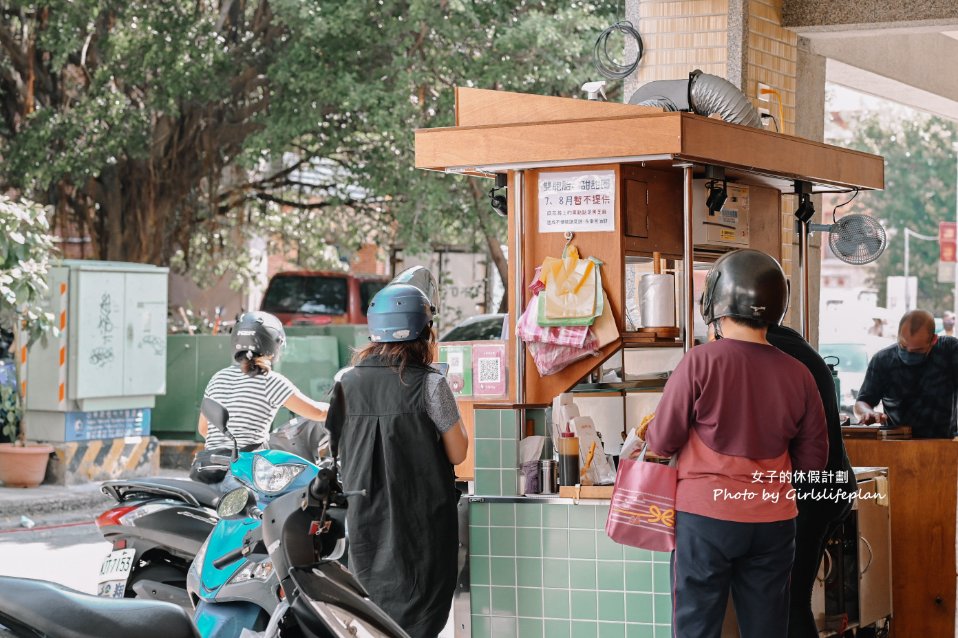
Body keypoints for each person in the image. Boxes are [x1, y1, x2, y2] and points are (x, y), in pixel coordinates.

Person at [645, 249, 828, 638]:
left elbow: (661, 441)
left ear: (715, 304)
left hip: (706, 520)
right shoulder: (799, 374)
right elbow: (814, 462)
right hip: (774, 522)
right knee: (767, 629)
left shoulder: (700, 362)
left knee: (697, 627)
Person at [325, 280, 468, 638]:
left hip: (365, 526)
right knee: (419, 622)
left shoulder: (344, 382)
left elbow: (335, 447)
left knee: (370, 619)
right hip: (422, 530)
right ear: (425, 331)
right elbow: (459, 451)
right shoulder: (432, 385)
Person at [763, 324, 856, 638]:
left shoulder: (769, 352)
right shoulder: (794, 344)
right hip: (832, 485)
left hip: (810, 493)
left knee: (790, 603)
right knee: (793, 600)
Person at [195, 311, 329, 481]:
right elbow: (317, 412)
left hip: (210, 466)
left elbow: (203, 428)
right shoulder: (271, 380)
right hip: (245, 471)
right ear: (274, 345)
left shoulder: (218, 377)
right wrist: (339, 406)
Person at [855, 309, 958, 438]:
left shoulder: (949, 351)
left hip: (944, 443)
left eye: (918, 350)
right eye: (903, 346)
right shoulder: (883, 360)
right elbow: (862, 402)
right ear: (897, 335)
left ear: (934, 340)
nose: (909, 353)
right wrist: (867, 413)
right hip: (897, 443)